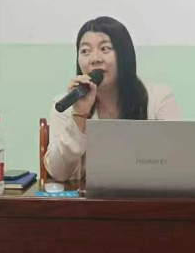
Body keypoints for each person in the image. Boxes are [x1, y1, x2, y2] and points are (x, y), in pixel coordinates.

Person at [44, 16, 182, 182]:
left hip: (147, 195)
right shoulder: (66, 105)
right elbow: (58, 173)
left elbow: (178, 160)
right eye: (85, 51)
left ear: (125, 55)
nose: (95, 59)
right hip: (87, 198)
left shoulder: (159, 99)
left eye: (105, 49)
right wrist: (79, 116)